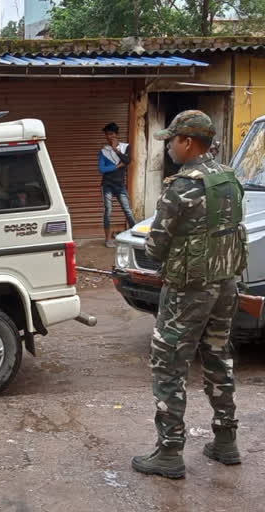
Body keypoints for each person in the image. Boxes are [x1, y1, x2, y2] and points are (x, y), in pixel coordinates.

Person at [132, 110, 246, 479]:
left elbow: (155, 245)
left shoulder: (182, 186)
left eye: (172, 141)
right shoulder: (228, 177)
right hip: (226, 283)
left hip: (188, 290)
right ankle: (226, 441)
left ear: (188, 142)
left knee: (169, 364)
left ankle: (169, 452)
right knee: (217, 357)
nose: (169, 147)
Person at [99, 122, 137, 247]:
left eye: (111, 134)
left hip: (120, 185)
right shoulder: (104, 151)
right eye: (107, 134)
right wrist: (116, 166)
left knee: (128, 211)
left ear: (116, 134)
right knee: (108, 211)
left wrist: (116, 150)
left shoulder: (126, 147)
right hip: (107, 185)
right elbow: (102, 169)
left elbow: (127, 161)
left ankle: (135, 236)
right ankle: (108, 239)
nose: (109, 137)